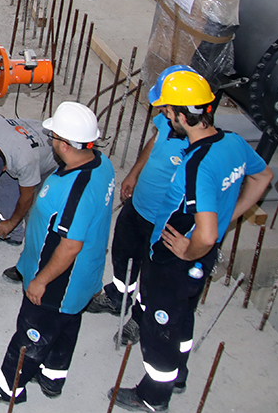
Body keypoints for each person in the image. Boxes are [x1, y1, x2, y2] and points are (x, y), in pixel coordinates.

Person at [111, 71, 273, 413]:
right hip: (200, 261)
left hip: (175, 261)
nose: (167, 118)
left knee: (160, 326)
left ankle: (154, 396)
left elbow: (205, 234)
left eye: (169, 113)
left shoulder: (196, 165)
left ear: (184, 116)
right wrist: (226, 217)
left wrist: (192, 247)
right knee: (184, 317)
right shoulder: (232, 143)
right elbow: (263, 177)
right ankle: (179, 374)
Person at [0, 102, 115, 406]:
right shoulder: (103, 164)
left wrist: (40, 281)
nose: (51, 141)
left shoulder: (74, 189)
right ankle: (52, 377)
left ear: (63, 143)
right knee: (68, 323)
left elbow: (70, 246)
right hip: (83, 277)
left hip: (60, 279)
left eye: (55, 137)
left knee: (30, 334)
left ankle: (7, 388)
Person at [85, 66, 199, 318]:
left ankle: (141, 316)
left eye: (166, 108)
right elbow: (155, 141)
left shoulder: (199, 147)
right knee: (123, 251)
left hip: (166, 221)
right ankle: (118, 296)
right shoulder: (171, 122)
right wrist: (135, 173)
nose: (162, 113)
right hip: (138, 205)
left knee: (155, 270)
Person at [0, 115, 58, 254]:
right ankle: (11, 234)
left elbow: (26, 198)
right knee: (2, 182)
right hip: (20, 143)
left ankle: (38, 253)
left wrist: (11, 223)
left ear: (4, 168)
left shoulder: (25, 162)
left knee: (38, 209)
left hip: (51, 156)